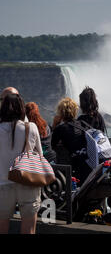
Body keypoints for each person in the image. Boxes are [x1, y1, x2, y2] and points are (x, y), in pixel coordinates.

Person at [0, 94, 42, 234]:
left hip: (2, 184)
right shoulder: (31, 127)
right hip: (27, 183)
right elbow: (40, 155)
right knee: (29, 229)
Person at [51, 97, 92, 183]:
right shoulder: (83, 124)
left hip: (73, 168)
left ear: (61, 112)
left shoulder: (60, 129)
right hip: (89, 164)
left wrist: (54, 125)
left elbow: (52, 146)